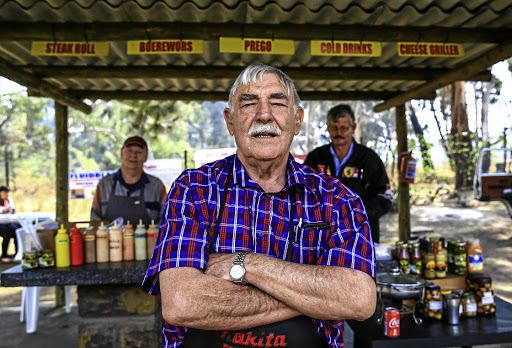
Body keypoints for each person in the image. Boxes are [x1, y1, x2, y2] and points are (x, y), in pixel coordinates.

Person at [142, 64, 376, 348]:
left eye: (277, 103)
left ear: (297, 119)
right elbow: (182, 303)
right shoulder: (194, 189)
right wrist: (315, 295)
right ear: (230, 121)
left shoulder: (337, 199)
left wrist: (245, 264)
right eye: (249, 104)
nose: (264, 115)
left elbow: (359, 300)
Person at [304, 104, 392, 243]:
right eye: (334, 128)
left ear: (353, 128)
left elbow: (384, 197)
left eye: (344, 128)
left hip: (361, 235)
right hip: (322, 237)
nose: (339, 133)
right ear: (328, 127)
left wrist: (355, 215)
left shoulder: (369, 159)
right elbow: (302, 193)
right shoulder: (316, 158)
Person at [90, 136, 167, 227]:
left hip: (150, 241)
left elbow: (166, 221)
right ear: (121, 153)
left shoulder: (157, 187)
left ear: (146, 157)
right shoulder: (104, 185)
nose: (133, 155)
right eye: (129, 151)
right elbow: (95, 222)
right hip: (111, 241)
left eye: (139, 152)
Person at [0, 185, 18, 263]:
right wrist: (4, 209)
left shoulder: (9, 200)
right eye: (4, 192)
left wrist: (11, 210)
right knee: (6, 233)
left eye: (7, 193)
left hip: (8, 221)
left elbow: (13, 210)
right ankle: (4, 254)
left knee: (16, 230)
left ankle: (18, 252)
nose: (6, 194)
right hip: (1, 223)